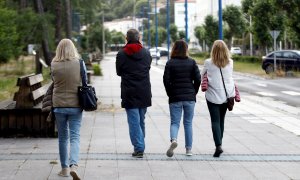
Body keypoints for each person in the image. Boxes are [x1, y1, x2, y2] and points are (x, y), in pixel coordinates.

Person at [51, 38, 86, 179]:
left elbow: (54, 81)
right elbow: (85, 82)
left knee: (62, 138)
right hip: (75, 104)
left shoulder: (54, 64)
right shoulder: (79, 63)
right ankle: (74, 165)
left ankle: (64, 169)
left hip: (58, 105)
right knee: (75, 137)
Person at [116, 29, 152, 158]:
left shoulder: (121, 54)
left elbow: (119, 72)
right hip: (144, 91)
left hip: (129, 91)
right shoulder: (146, 53)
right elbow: (147, 68)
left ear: (126, 38)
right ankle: (140, 145)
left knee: (133, 121)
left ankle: (139, 148)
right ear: (139, 37)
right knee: (141, 120)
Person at [163, 40, 201, 157]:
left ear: (174, 49)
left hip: (175, 97)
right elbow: (198, 79)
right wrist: (194, 92)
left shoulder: (170, 63)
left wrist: (170, 93)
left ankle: (174, 139)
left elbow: (166, 80)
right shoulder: (192, 62)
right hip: (189, 96)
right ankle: (188, 150)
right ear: (186, 49)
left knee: (175, 122)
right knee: (188, 123)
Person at [201, 40, 235, 157]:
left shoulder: (208, 62)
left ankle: (218, 146)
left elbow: (202, 76)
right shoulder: (230, 62)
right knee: (221, 120)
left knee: (215, 121)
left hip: (212, 96)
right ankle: (219, 144)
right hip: (227, 96)